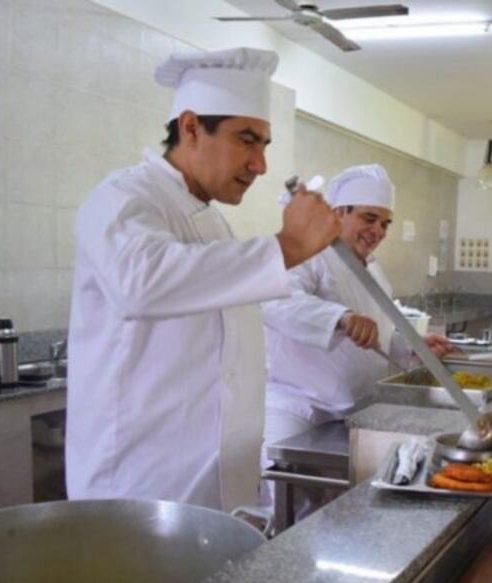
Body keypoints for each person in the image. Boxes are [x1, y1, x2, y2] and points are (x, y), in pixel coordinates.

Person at [66, 48, 341, 512]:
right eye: (247, 140)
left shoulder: (211, 223)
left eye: (264, 145)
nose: (260, 164)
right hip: (137, 488)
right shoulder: (121, 198)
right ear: (191, 126)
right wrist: (287, 246)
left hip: (216, 486)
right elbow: (142, 281)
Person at [260, 164, 452, 512]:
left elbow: (380, 338)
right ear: (338, 213)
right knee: (285, 513)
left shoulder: (373, 270)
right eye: (369, 218)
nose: (378, 230)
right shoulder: (308, 252)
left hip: (354, 415)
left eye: (385, 223)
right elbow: (275, 300)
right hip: (300, 411)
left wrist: (413, 348)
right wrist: (341, 318)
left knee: (339, 514)